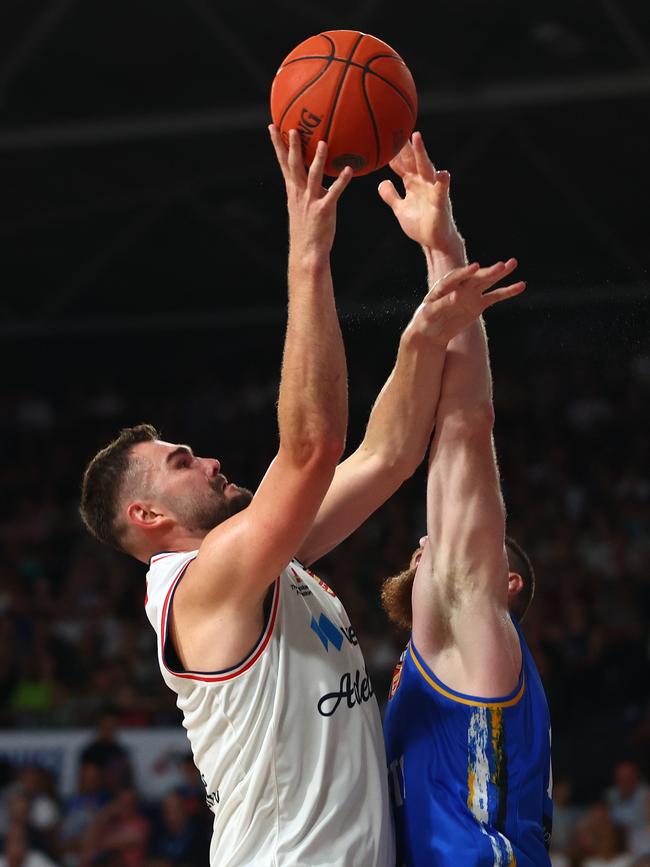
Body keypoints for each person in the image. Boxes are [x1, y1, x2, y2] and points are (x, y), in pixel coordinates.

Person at [79, 126, 521, 866]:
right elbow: (312, 449)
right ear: (146, 516)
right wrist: (308, 251)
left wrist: (432, 282)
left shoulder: (266, 565)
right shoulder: (198, 586)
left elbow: (389, 455)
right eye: (183, 462)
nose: (212, 461)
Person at [380, 133, 552, 865]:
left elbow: (463, 428)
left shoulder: (473, 626)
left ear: (503, 583)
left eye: (444, 545)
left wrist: (443, 252)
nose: (431, 543)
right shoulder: (428, 666)